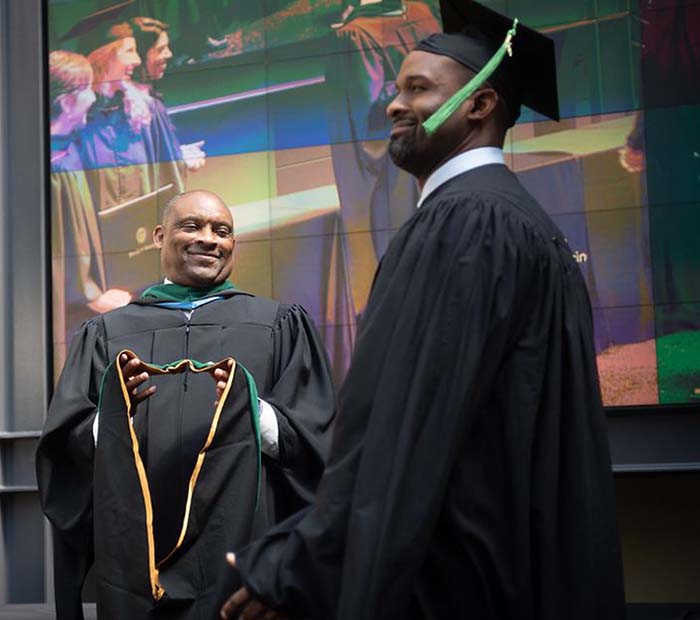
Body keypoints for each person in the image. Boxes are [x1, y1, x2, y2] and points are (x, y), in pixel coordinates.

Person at [221, 3, 625, 619]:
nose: (393, 105)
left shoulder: (463, 225)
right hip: (516, 568)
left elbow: (399, 419)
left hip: (457, 582)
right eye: (396, 87)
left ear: (479, 105)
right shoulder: (518, 220)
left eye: (418, 88)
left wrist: (301, 567)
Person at [37, 189, 336, 619]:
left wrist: (254, 412)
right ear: (160, 236)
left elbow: (317, 441)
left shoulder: (278, 324)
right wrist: (112, 417)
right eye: (192, 226)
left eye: (222, 231)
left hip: (241, 553)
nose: (210, 239)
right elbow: (63, 452)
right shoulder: (106, 334)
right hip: (136, 560)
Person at [49, 49, 132, 361]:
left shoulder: (69, 151)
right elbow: (60, 255)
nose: (92, 97)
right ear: (66, 102)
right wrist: (92, 296)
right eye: (85, 90)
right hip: (68, 317)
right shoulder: (54, 171)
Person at [129, 16, 206, 180]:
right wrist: (179, 159)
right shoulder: (135, 108)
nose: (169, 54)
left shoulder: (150, 99)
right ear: (141, 55)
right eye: (160, 49)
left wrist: (178, 153)